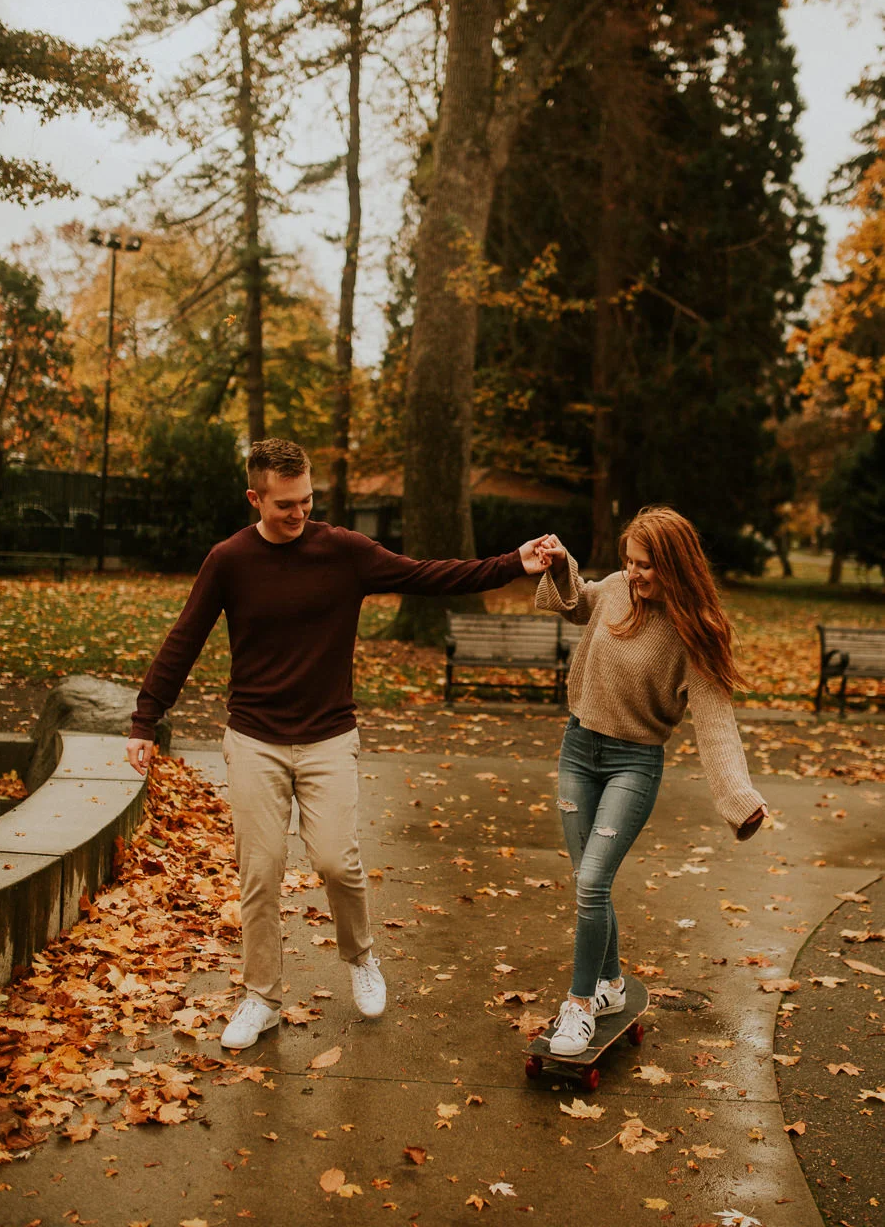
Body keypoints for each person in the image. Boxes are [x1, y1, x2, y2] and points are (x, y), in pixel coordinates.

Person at [126, 437, 553, 1049]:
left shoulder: (343, 552)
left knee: (335, 861)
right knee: (261, 872)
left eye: (305, 501)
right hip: (254, 739)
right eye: (284, 505)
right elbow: (184, 638)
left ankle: (360, 957)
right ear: (254, 498)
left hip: (328, 736)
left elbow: (429, 576)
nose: (298, 514)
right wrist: (146, 719)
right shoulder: (229, 560)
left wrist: (514, 562)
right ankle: (261, 997)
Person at [534, 506, 768, 1058]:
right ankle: (612, 985)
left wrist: (740, 799)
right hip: (578, 748)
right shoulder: (617, 589)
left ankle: (579, 1006)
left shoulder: (693, 634)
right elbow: (578, 600)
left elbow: (715, 725)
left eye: (645, 566)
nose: (633, 574)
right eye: (629, 562)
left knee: (592, 883)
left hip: (632, 764)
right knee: (589, 883)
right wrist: (562, 562)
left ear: (675, 566)